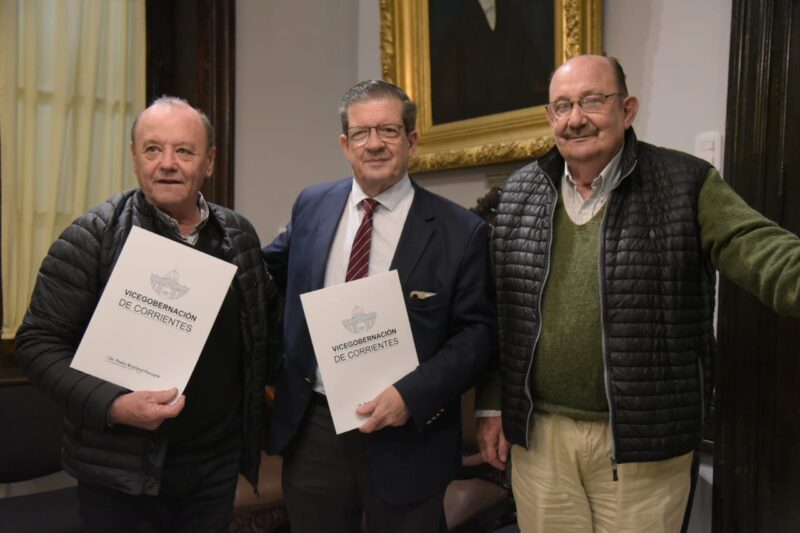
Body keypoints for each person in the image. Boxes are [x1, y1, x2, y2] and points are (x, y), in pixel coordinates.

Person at [476, 54, 800, 532]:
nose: (576, 118)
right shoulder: (518, 193)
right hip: (540, 439)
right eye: (562, 106)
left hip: (643, 443)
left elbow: (757, 247)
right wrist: (491, 405)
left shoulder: (685, 183)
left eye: (592, 100)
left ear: (627, 109)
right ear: (550, 117)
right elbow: (501, 314)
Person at [15, 96, 281, 532]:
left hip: (213, 469)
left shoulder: (239, 236)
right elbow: (37, 344)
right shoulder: (92, 237)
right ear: (135, 157)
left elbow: (266, 334)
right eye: (153, 149)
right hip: (119, 474)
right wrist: (113, 405)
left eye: (185, 150)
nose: (167, 163)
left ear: (210, 161)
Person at [263, 80, 496, 532]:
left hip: (408, 437)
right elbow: (265, 271)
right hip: (315, 429)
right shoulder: (312, 205)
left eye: (388, 131)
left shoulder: (459, 230)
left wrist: (411, 395)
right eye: (361, 133)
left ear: (412, 141)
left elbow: (477, 335)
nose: (374, 144)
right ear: (345, 144)